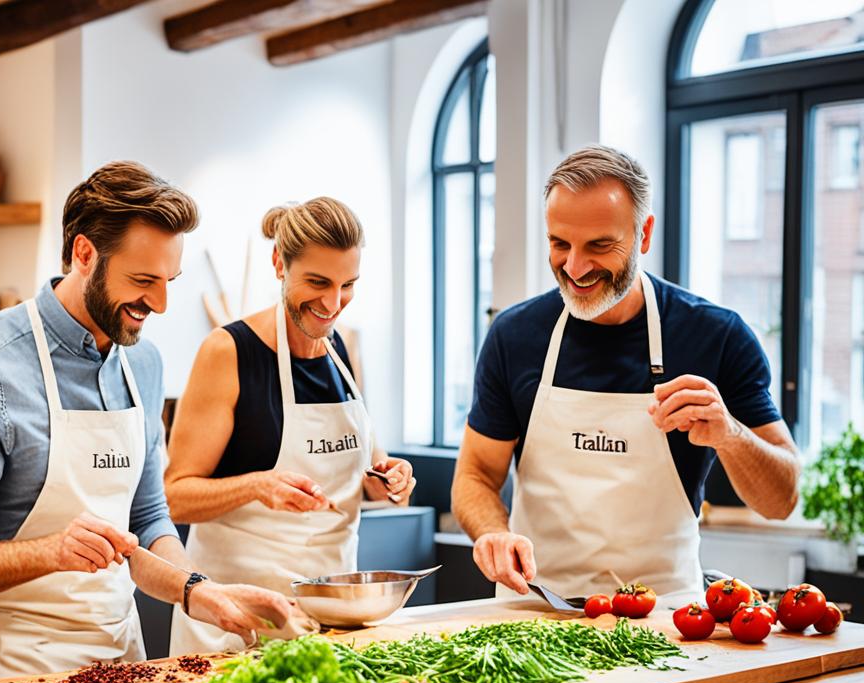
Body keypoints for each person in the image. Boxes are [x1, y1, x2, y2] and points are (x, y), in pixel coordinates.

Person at [0, 161, 292, 683]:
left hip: (119, 655)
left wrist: (199, 590)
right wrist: (49, 552)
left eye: (169, 281)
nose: (159, 303)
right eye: (143, 280)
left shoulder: (143, 363)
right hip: (6, 668)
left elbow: (149, 518)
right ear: (84, 254)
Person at [451, 145, 799, 599]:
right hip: (535, 614)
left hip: (668, 621)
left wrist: (729, 434)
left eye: (599, 245)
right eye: (560, 244)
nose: (575, 268)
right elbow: (474, 475)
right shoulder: (514, 336)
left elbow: (781, 500)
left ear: (644, 234)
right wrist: (492, 533)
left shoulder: (717, 336)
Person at [163, 198, 415, 654]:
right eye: (317, 282)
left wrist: (388, 480)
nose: (333, 303)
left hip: (328, 623)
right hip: (233, 629)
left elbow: (369, 472)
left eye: (348, 285)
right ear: (279, 263)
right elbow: (174, 497)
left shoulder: (340, 350)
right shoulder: (228, 352)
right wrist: (257, 486)